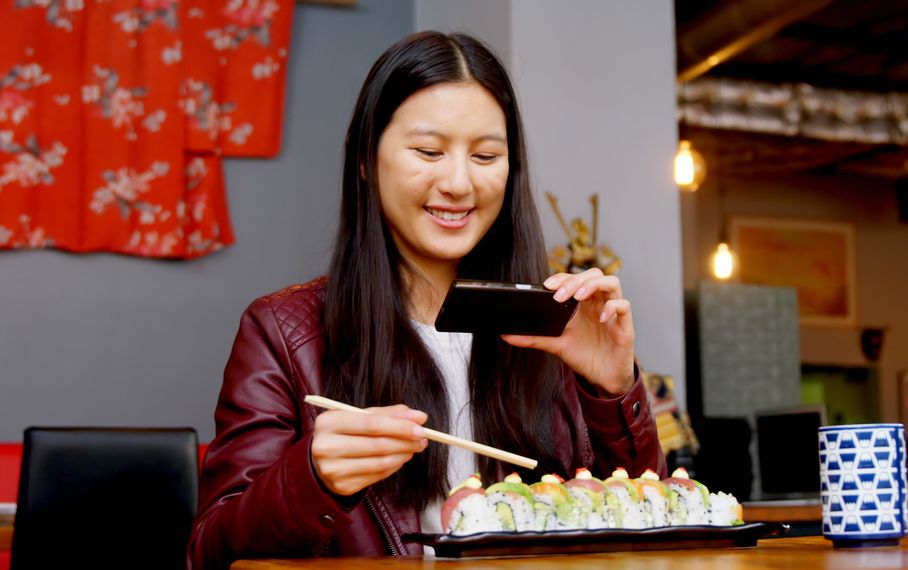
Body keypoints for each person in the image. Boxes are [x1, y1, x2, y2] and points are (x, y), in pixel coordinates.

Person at [187, 31, 664, 568]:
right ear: (366, 159)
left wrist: (612, 389)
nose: (459, 182)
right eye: (428, 151)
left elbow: (648, 528)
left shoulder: (556, 325)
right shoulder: (283, 332)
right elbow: (209, 553)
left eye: (485, 155)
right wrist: (311, 481)